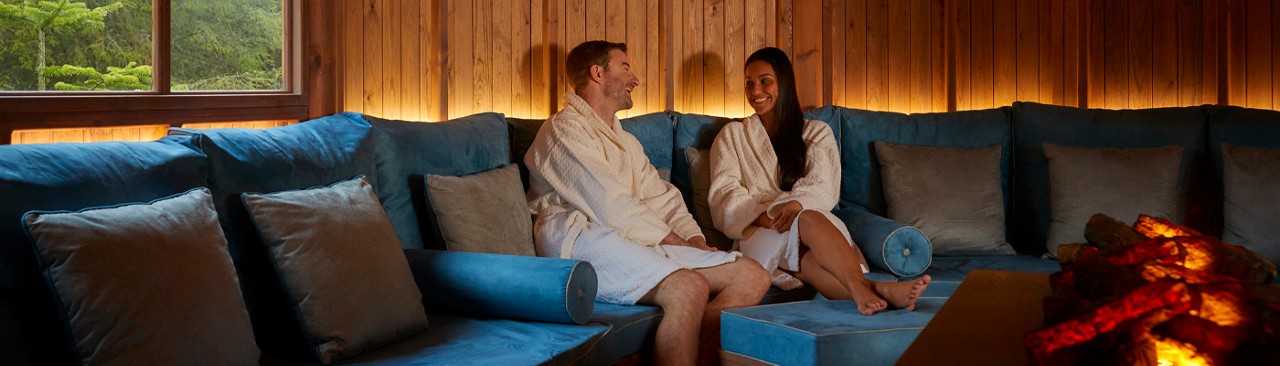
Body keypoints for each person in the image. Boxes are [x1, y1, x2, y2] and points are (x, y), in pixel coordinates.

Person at [525, 40, 771, 366]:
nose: (635, 78)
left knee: (752, 276)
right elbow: (610, 205)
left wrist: (695, 241)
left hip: (633, 235)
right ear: (598, 73)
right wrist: (675, 241)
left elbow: (662, 196)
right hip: (579, 237)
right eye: (625, 67)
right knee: (687, 287)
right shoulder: (563, 130)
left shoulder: (624, 140)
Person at [708, 47, 930, 316]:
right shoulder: (732, 136)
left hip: (814, 225)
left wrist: (794, 207)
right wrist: (769, 217)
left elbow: (823, 185)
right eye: (749, 83)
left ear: (784, 83)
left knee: (809, 230)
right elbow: (725, 194)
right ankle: (870, 288)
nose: (755, 91)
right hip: (759, 231)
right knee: (801, 233)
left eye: (765, 81)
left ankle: (869, 291)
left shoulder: (815, 133)